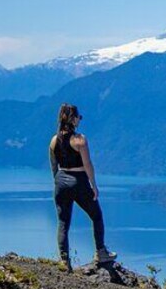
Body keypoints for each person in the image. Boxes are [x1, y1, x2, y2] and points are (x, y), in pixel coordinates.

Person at [49, 103, 117, 272]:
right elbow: (88, 164)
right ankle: (101, 252)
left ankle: (64, 261)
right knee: (96, 215)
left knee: (63, 221)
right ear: (72, 119)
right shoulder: (80, 140)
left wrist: (59, 182)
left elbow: (53, 165)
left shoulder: (54, 140)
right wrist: (93, 185)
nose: (80, 120)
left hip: (61, 180)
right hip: (78, 181)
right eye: (78, 117)